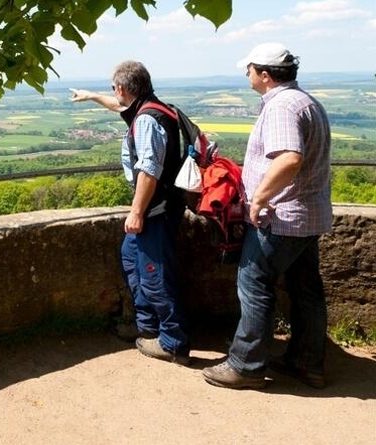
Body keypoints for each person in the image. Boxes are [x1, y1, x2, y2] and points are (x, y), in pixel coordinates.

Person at [202, 43, 332, 389]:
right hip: (308, 215)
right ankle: (308, 363)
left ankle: (246, 365)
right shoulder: (306, 101)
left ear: (264, 74)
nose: (246, 75)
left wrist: (258, 198)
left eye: (249, 69)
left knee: (254, 283)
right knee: (306, 289)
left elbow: (289, 158)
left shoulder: (282, 107)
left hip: (282, 217)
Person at [71, 61, 190, 365]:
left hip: (156, 210)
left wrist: (136, 212)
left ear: (123, 88)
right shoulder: (152, 108)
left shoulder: (147, 119)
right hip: (160, 206)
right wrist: (91, 96)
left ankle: (173, 342)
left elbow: (149, 169)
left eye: (114, 88)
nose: (114, 93)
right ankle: (147, 327)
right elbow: (117, 106)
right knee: (130, 258)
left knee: (155, 276)